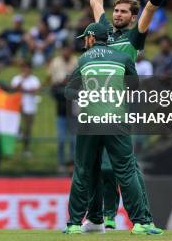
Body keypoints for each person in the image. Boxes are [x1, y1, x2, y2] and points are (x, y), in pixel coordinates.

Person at [84, 0, 172, 232]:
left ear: (133, 17)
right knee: (104, 167)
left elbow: (151, 6)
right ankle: (106, 216)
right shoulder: (103, 31)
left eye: (124, 12)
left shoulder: (134, 37)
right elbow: (95, 1)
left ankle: (139, 220)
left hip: (118, 107)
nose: (117, 14)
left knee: (121, 167)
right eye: (117, 10)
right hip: (95, 107)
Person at [63, 22, 160, 235]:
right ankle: (140, 223)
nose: (84, 43)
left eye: (85, 38)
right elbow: (134, 86)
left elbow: (69, 91)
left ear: (91, 38)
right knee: (126, 171)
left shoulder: (84, 59)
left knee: (83, 170)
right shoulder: (123, 58)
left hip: (89, 122)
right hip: (116, 120)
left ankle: (75, 224)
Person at [48, 44, 77, 171]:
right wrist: (62, 82)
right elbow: (53, 83)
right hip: (60, 107)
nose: (66, 52)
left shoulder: (77, 61)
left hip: (74, 108)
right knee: (61, 139)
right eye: (64, 49)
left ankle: (72, 164)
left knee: (73, 140)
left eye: (68, 49)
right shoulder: (56, 62)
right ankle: (61, 163)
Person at [11, 61, 41, 157]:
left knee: (28, 129)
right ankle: (18, 136)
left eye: (27, 67)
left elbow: (35, 90)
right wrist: (22, 82)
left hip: (30, 108)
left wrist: (24, 90)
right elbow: (14, 89)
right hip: (18, 107)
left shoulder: (34, 79)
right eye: (23, 67)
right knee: (17, 126)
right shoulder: (17, 79)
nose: (25, 70)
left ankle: (26, 149)